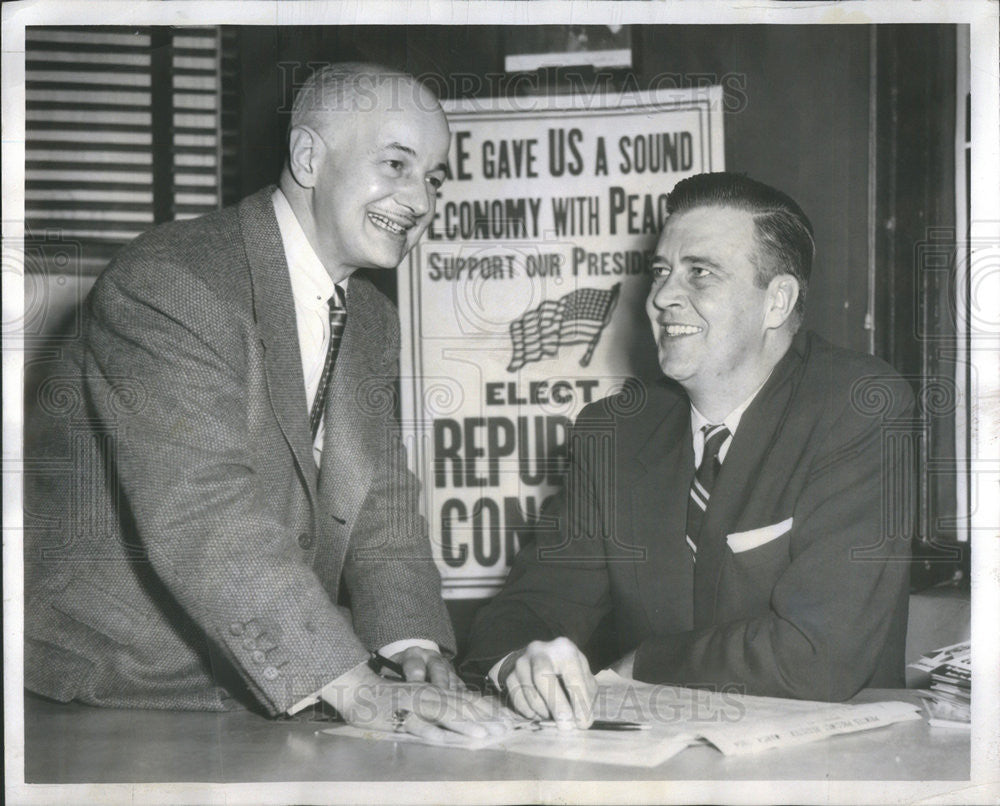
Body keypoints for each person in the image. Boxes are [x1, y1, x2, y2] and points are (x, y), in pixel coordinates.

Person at [24, 63, 507, 742]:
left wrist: (412, 647)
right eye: (395, 164)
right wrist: (362, 693)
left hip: (276, 679)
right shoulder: (173, 279)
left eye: (432, 178)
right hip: (112, 687)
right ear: (309, 157)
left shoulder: (370, 319)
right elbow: (200, 509)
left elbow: (381, 500)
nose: (421, 200)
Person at [461, 172, 915, 726]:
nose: (661, 297)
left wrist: (641, 663)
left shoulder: (858, 404)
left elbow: (818, 655)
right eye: (661, 272)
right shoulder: (614, 433)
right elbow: (526, 608)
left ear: (777, 302)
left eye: (699, 273)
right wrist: (519, 662)